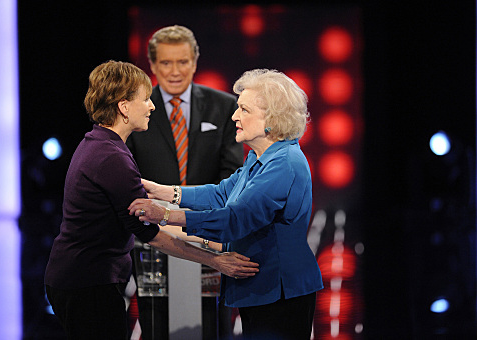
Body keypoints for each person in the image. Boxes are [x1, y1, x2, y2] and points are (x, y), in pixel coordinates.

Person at [44, 60, 258, 340]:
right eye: (145, 99)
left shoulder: (100, 144)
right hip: (88, 283)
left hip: (82, 279)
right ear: (123, 107)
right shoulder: (111, 157)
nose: (152, 106)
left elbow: (147, 221)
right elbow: (151, 233)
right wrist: (216, 260)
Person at [129, 69, 324, 340]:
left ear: (272, 117)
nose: (234, 116)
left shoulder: (284, 163)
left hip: (279, 292)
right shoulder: (260, 158)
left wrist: (164, 215)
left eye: (243, 109)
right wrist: (165, 192)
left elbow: (235, 219)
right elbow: (222, 194)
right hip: (261, 288)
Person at [125, 25, 244, 339]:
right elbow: (127, 172)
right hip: (152, 235)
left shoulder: (224, 106)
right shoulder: (136, 109)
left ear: (195, 62)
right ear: (152, 65)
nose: (175, 71)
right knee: (156, 324)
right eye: (166, 63)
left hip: (208, 232)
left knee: (212, 324)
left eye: (182, 62)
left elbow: (232, 174)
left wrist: (197, 217)